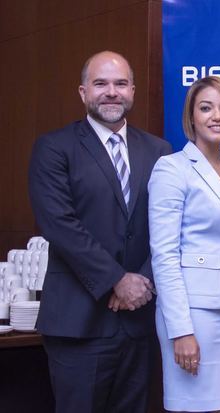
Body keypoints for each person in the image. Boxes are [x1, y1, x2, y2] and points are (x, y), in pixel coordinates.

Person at [28, 50, 172, 412]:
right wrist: (115, 280)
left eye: (121, 83)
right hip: (79, 322)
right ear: (82, 92)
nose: (112, 92)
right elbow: (59, 224)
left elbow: (170, 228)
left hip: (139, 321)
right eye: (101, 84)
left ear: (133, 91)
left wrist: (142, 281)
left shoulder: (159, 151)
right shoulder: (54, 147)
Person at [148, 76, 220, 412]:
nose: (217, 116)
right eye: (206, 107)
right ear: (191, 116)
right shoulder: (172, 169)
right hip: (196, 317)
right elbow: (165, 256)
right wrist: (180, 330)